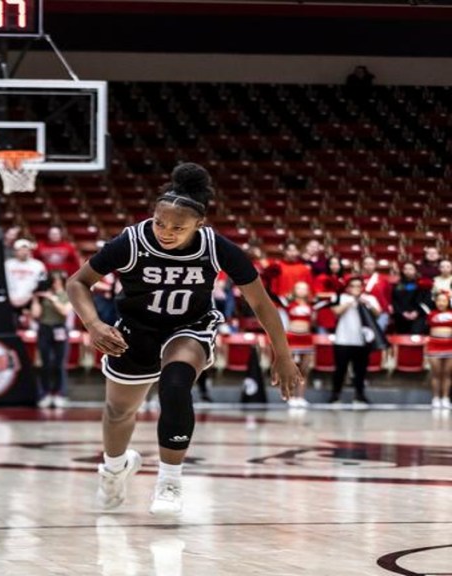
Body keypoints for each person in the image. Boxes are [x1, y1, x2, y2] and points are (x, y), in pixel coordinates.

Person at [65, 163, 301, 517]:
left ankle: (170, 481)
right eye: (161, 223)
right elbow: (76, 282)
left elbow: (261, 303)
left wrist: (282, 354)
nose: (166, 232)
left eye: (178, 227)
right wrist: (95, 324)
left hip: (189, 327)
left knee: (175, 386)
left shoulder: (216, 247)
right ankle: (114, 470)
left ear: (199, 225)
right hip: (135, 329)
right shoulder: (131, 241)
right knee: (118, 411)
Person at [328, 276, 381, 405]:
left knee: (361, 370)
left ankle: (359, 395)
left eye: (359, 286)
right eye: (353, 286)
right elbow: (336, 312)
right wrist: (350, 302)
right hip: (343, 340)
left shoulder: (369, 299)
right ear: (348, 287)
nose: (356, 289)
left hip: (362, 340)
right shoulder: (340, 297)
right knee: (340, 369)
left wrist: (366, 304)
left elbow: (378, 314)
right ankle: (335, 395)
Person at [32, 271, 72, 408]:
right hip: (45, 328)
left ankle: (60, 393)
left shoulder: (67, 294)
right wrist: (36, 299)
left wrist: (53, 299)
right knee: (45, 363)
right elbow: (35, 314)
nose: (55, 283)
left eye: (57, 280)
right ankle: (45, 393)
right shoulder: (44, 294)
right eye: (53, 280)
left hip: (60, 327)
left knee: (59, 363)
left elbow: (65, 311)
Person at [282, 281, 315, 407]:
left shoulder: (311, 305)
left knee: (304, 370)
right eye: (299, 288)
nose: (302, 291)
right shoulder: (288, 304)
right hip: (292, 337)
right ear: (294, 290)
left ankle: (301, 397)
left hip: (306, 337)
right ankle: (290, 397)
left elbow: (313, 321)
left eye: (304, 288)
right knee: (291, 369)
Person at [4, 238, 48, 324]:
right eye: (21, 250)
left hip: (30, 300)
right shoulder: (7, 264)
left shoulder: (38, 265)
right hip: (9, 300)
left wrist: (32, 298)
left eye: (26, 249)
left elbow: (43, 284)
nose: (24, 252)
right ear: (15, 251)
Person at [426, 291, 452, 409]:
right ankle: (436, 398)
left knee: (447, 374)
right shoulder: (431, 314)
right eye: (439, 300)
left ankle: (445, 398)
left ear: (448, 302)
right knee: (436, 374)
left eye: (444, 300)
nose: (441, 303)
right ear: (435, 302)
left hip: (450, 346)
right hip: (434, 346)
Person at [392, 262, 430, 335]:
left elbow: (426, 301)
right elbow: (395, 301)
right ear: (402, 271)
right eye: (405, 269)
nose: (408, 271)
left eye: (410, 269)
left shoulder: (422, 284)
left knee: (415, 332)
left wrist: (417, 312)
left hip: (418, 315)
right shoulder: (398, 285)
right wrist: (402, 313)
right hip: (401, 315)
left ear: (415, 271)